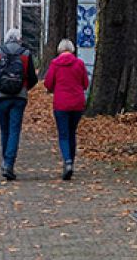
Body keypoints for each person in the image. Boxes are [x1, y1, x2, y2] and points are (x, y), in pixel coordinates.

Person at [0, 28, 37, 180]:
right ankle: (9, 163)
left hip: (0, 97)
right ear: (19, 39)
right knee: (14, 130)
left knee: (5, 131)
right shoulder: (26, 54)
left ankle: (5, 162)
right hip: (19, 97)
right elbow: (33, 78)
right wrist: (23, 88)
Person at [43, 38, 89, 180]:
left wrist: (53, 88)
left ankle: (67, 161)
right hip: (77, 103)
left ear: (60, 49)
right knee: (72, 132)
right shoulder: (79, 63)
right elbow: (85, 83)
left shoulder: (55, 64)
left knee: (63, 134)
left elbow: (48, 83)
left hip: (61, 104)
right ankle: (71, 162)